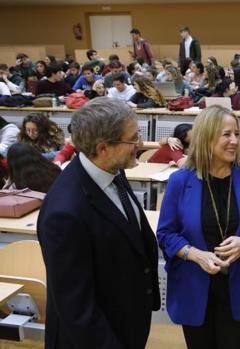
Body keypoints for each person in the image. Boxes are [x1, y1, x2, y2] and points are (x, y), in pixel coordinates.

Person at [37, 97, 160, 349]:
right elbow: (76, 308)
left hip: (125, 322)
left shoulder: (111, 169)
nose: (139, 144)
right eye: (133, 139)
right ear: (103, 147)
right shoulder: (65, 213)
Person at [156, 105, 240, 349]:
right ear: (206, 137)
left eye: (237, 134)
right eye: (226, 134)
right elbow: (165, 234)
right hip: (195, 286)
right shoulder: (180, 180)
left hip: (238, 286)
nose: (234, 141)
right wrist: (195, 255)